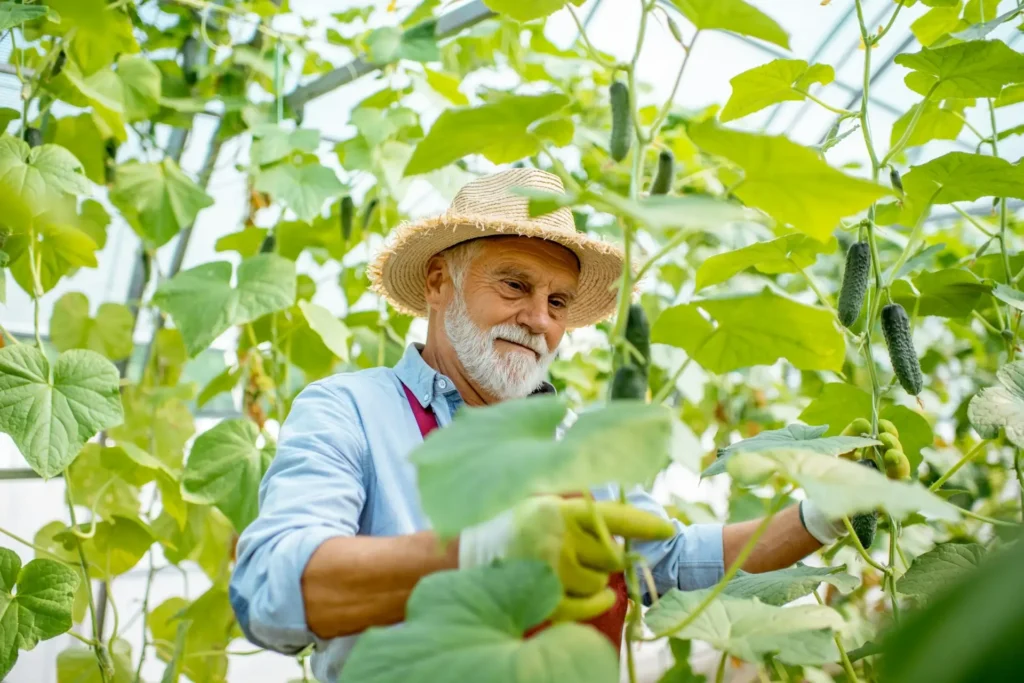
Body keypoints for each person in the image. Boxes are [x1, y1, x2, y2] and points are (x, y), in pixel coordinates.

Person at [229, 168, 857, 682]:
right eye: (515, 285)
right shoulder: (350, 409)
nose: (539, 320)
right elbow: (268, 591)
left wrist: (818, 518)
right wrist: (486, 548)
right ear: (437, 281)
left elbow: (666, 562)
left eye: (558, 302)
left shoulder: (575, 440)